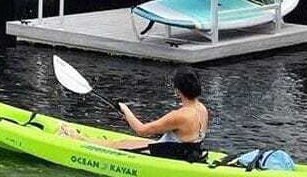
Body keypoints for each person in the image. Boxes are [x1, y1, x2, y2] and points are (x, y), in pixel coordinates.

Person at [58, 67, 209, 161]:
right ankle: (81, 137)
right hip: (188, 152)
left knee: (118, 145)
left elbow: (141, 130)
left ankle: (75, 138)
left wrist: (125, 109)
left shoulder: (180, 115)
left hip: (171, 155)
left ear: (178, 90)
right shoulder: (202, 108)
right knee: (125, 142)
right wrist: (128, 117)